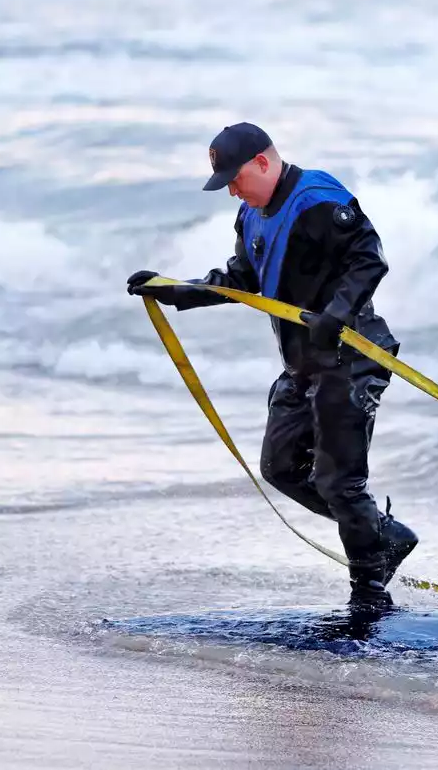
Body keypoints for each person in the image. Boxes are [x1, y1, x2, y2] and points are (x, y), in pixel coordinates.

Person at [127, 122, 417, 613]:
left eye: (236, 179)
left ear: (263, 162)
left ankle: (369, 596)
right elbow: (242, 278)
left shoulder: (320, 200)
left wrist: (338, 312)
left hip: (352, 356)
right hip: (303, 365)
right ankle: (383, 537)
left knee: (338, 482)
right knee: (279, 468)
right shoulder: (252, 214)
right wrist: (174, 290)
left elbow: (370, 258)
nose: (233, 191)